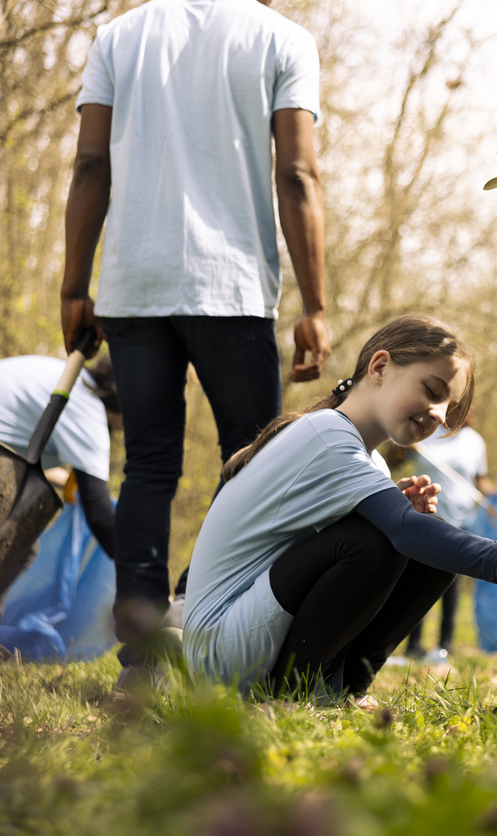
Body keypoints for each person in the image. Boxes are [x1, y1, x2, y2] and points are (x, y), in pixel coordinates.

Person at [59, 0, 332, 684]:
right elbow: (297, 174)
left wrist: (74, 286)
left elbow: (90, 164)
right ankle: (199, 614)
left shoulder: (116, 36)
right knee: (253, 462)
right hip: (230, 286)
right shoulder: (283, 39)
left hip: (134, 282)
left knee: (148, 468)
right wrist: (316, 302)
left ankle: (144, 654)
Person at [183, 316, 497, 703]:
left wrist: (391, 514)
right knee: (386, 540)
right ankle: (292, 693)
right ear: (380, 367)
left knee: (429, 550)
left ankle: (343, 689)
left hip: (250, 636)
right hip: (220, 653)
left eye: (449, 408)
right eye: (433, 392)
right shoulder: (328, 435)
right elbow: (398, 531)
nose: (439, 415)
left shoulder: (367, 458)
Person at [0, 353, 122, 561]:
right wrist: (142, 573)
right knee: (18, 549)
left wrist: (69, 484)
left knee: (25, 550)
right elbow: (100, 516)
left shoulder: (72, 379)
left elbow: (25, 459)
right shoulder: (88, 413)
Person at [396, 415, 495, 666]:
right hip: (427, 517)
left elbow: (480, 479)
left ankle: (445, 644)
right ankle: (413, 645)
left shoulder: (474, 440)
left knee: (449, 584)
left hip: (462, 521)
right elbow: (394, 459)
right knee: (418, 580)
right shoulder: (425, 432)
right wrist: (398, 446)